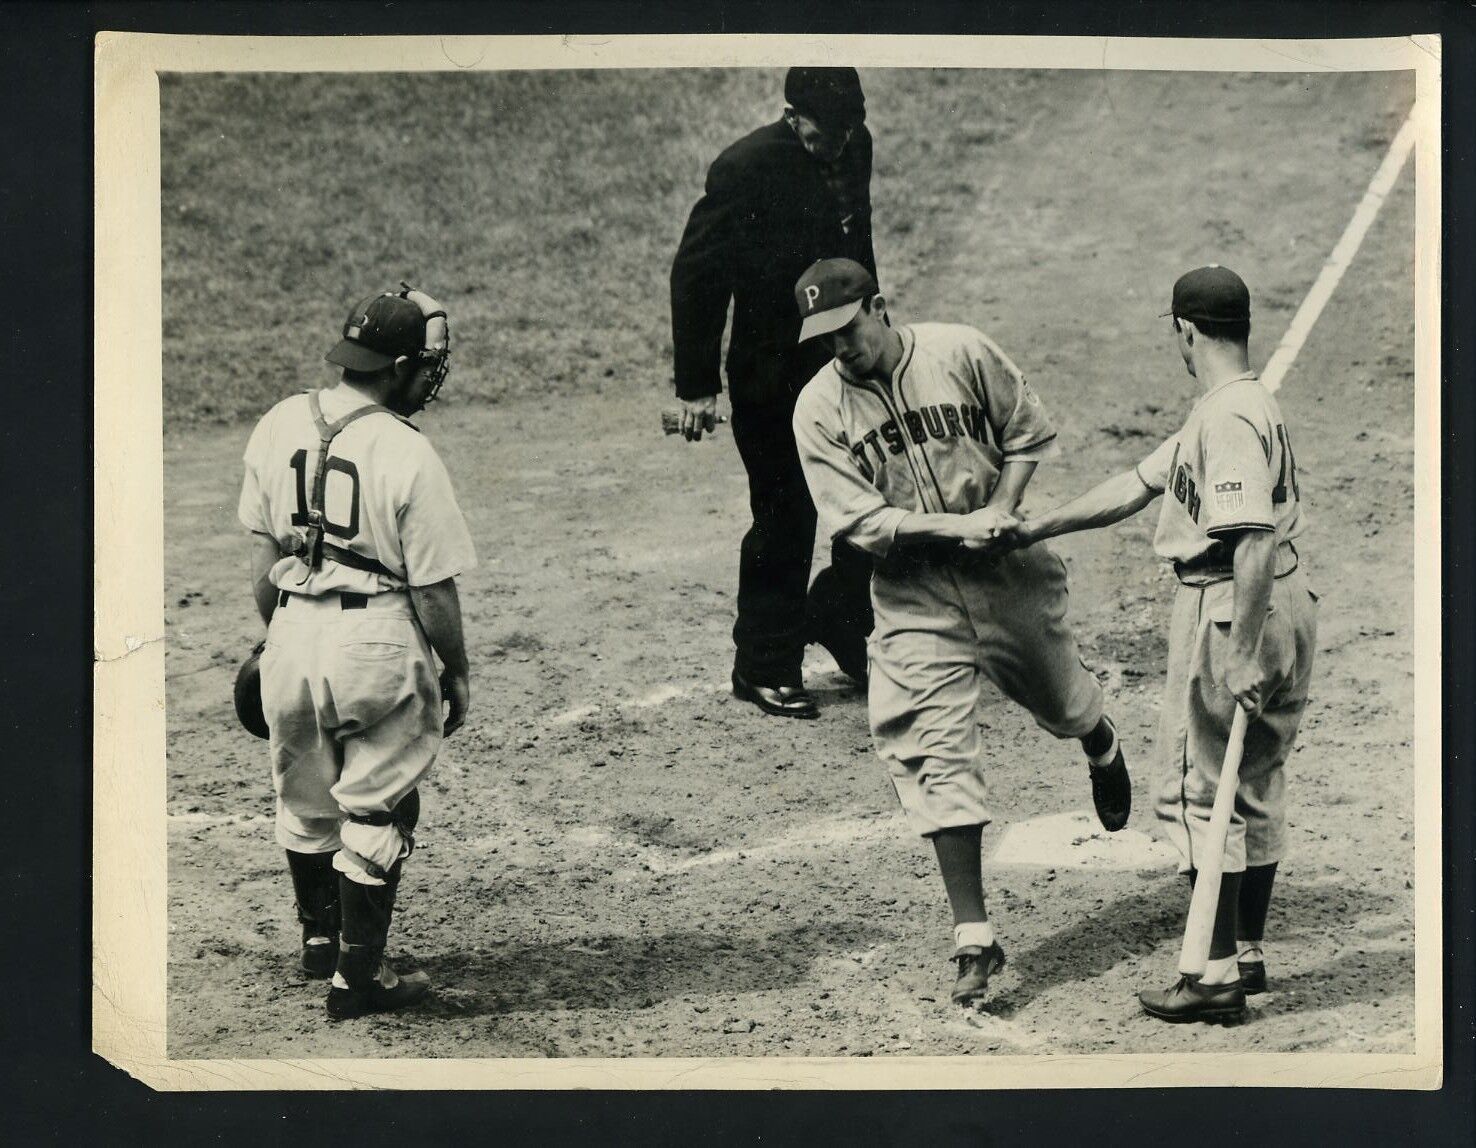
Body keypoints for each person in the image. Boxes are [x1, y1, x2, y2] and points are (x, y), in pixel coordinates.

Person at [789, 258, 1131, 1008]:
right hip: (916, 596)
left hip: (1010, 576)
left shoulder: (960, 350)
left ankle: (1100, 740)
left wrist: (1003, 509)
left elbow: (1027, 429)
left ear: (879, 308)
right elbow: (859, 521)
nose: (840, 351)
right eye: (825, 340)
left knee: (1062, 701)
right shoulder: (817, 409)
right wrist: (954, 526)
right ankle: (973, 937)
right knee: (930, 746)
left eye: (847, 331)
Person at [997, 265, 1318, 1023]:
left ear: (1185, 331)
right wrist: (1039, 524)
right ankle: (1243, 952)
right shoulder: (1239, 405)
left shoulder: (1228, 421)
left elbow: (1250, 540)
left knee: (1200, 794)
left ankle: (1208, 978)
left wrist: (1237, 648)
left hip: (1233, 603)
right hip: (1289, 604)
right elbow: (1136, 485)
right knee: (1257, 781)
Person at [237, 284, 476, 1020]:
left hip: (291, 632)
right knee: (379, 804)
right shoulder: (407, 450)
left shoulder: (280, 422)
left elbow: (262, 558)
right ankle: (359, 981)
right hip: (375, 641)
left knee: (305, 795)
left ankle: (319, 939)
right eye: (424, 365)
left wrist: (279, 637)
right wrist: (457, 668)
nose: (430, 378)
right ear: (399, 366)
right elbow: (433, 591)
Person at [670, 66, 878, 719]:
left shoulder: (853, 144)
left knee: (871, 487)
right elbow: (697, 274)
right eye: (825, 132)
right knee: (787, 512)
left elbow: (856, 237)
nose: (837, 145)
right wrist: (696, 387)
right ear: (793, 114)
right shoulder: (744, 167)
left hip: (840, 352)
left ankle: (840, 616)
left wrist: (873, 321)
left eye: (846, 131)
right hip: (768, 368)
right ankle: (763, 663)